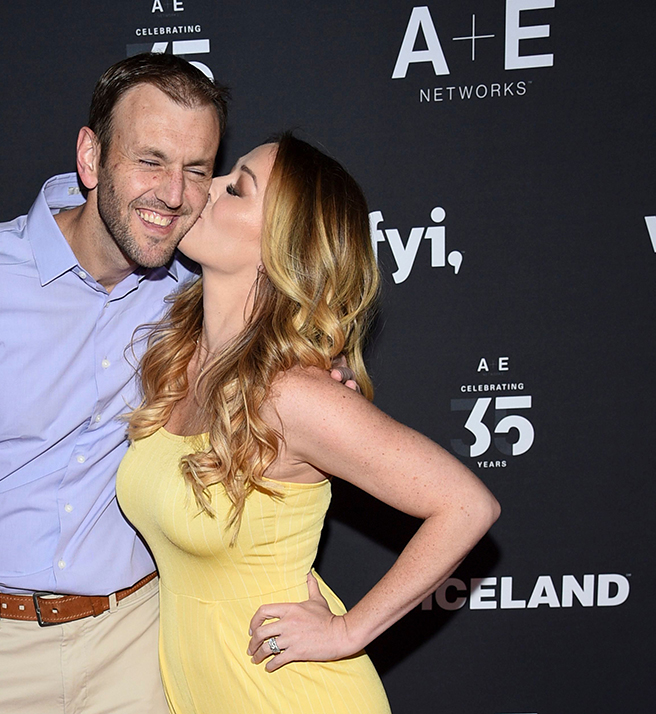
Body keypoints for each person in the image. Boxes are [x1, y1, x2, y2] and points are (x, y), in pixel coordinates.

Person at [0, 53, 226, 714]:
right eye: (150, 161)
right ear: (91, 158)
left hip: (137, 649)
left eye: (195, 170)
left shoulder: (196, 299)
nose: (173, 194)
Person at [117, 133, 501, 713]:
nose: (205, 187)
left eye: (234, 187)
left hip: (288, 695)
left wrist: (347, 633)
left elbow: (467, 505)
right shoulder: (181, 355)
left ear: (280, 248)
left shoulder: (291, 396)